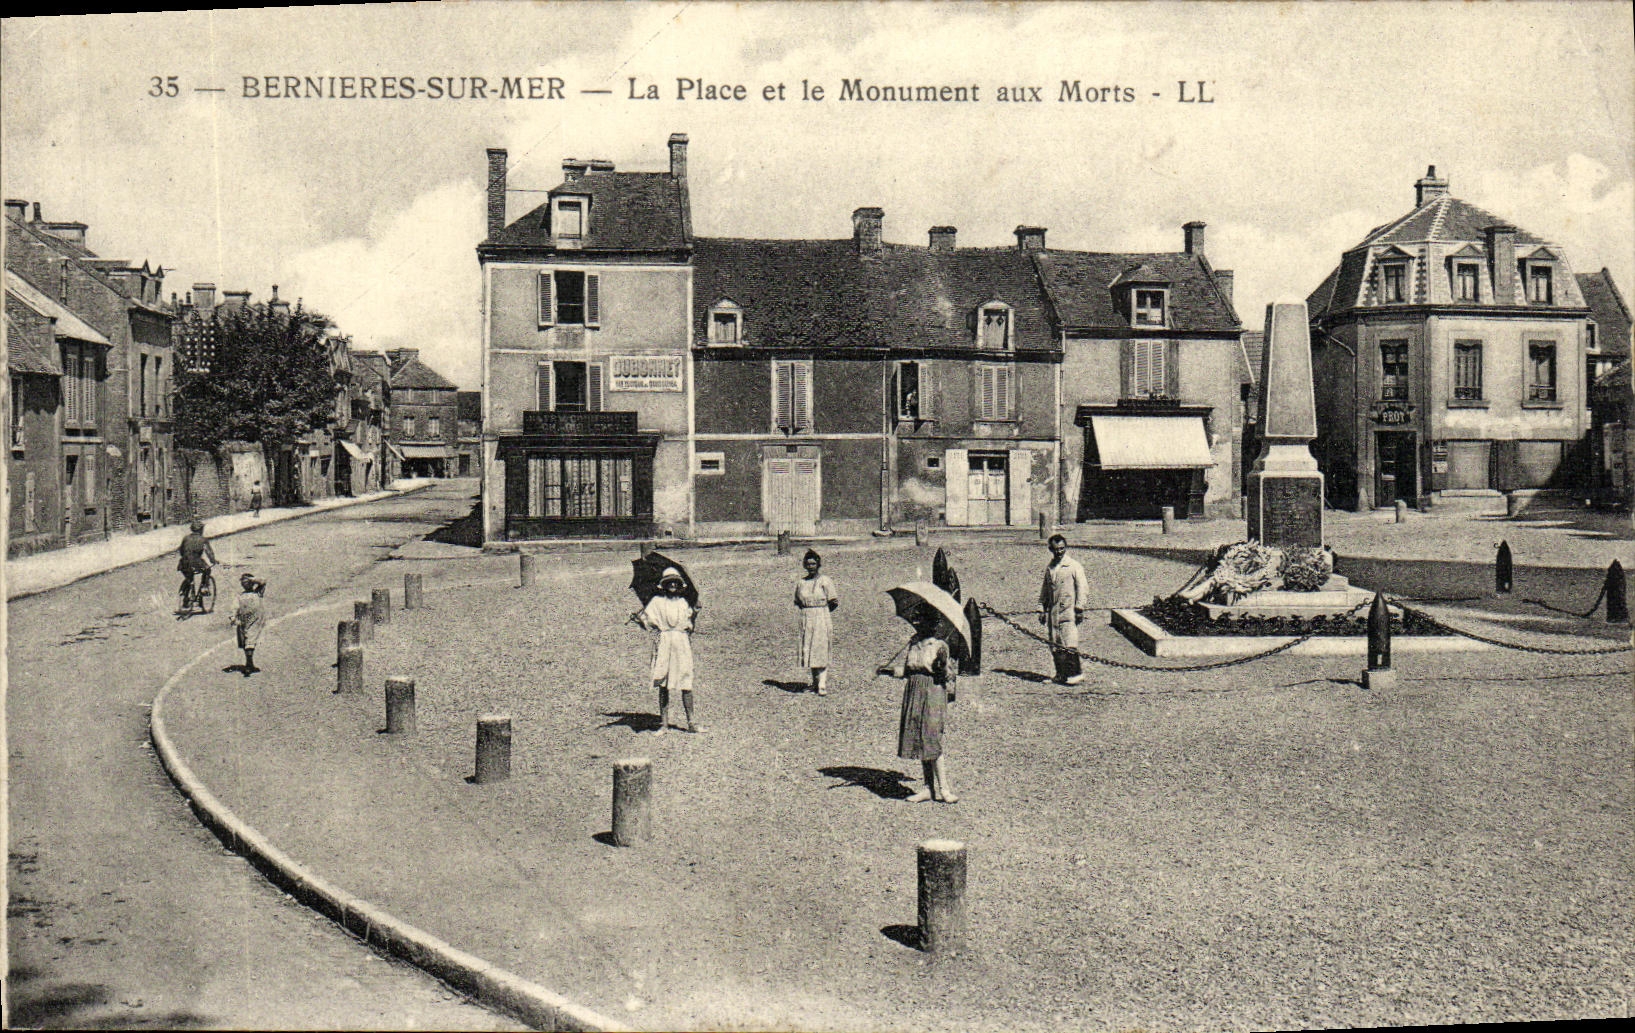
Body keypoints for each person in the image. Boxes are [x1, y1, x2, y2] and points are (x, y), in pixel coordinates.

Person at [879, 605, 958, 803]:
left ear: (931, 624)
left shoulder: (940, 646)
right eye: (916, 621)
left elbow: (949, 675)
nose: (917, 625)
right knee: (920, 738)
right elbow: (908, 670)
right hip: (914, 690)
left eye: (922, 621)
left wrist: (942, 667)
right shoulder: (914, 643)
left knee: (931, 737)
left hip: (933, 691)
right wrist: (889, 671)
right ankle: (927, 788)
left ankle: (944, 789)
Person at [637, 568, 702, 734]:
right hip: (665, 642)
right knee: (663, 682)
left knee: (686, 681)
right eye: (669, 582)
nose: (673, 585)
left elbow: (689, 627)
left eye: (676, 582)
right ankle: (664, 724)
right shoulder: (657, 602)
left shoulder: (683, 602)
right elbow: (648, 624)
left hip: (681, 642)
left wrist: (695, 613)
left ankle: (691, 722)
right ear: (664, 585)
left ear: (679, 585)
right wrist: (639, 620)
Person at [1039, 533, 1090, 685]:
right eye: (1056, 549)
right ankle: (1060, 674)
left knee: (1069, 641)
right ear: (1050, 549)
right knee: (1055, 642)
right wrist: (1041, 608)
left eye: (1062, 549)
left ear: (1065, 548)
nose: (1059, 552)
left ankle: (1075, 674)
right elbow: (1045, 590)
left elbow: (1083, 588)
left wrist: (1079, 607)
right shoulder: (1050, 567)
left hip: (1069, 610)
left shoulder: (1074, 566)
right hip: (1054, 612)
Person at [793, 549, 839, 695]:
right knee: (809, 648)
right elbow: (798, 601)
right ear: (804, 566)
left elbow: (833, 601)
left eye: (813, 564)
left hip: (821, 616)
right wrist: (809, 612)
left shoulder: (825, 581)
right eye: (808, 564)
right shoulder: (801, 583)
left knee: (821, 648)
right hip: (806, 617)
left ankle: (822, 684)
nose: (811, 566)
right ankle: (814, 682)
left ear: (818, 564)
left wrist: (822, 614)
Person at [177, 520, 218, 612]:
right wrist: (213, 560)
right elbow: (209, 552)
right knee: (207, 570)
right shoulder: (203, 539)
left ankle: (185, 599)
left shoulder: (186, 538)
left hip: (184, 562)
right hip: (196, 562)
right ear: (200, 530)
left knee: (189, 578)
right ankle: (204, 587)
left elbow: (181, 551)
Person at [231, 573, 266, 676]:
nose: (245, 584)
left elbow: (263, 580)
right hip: (245, 620)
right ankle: (249, 664)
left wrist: (251, 579)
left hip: (254, 620)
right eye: (244, 582)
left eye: (247, 582)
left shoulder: (257, 592)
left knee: (249, 640)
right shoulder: (242, 596)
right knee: (248, 641)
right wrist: (233, 617)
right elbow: (234, 607)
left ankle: (249, 664)